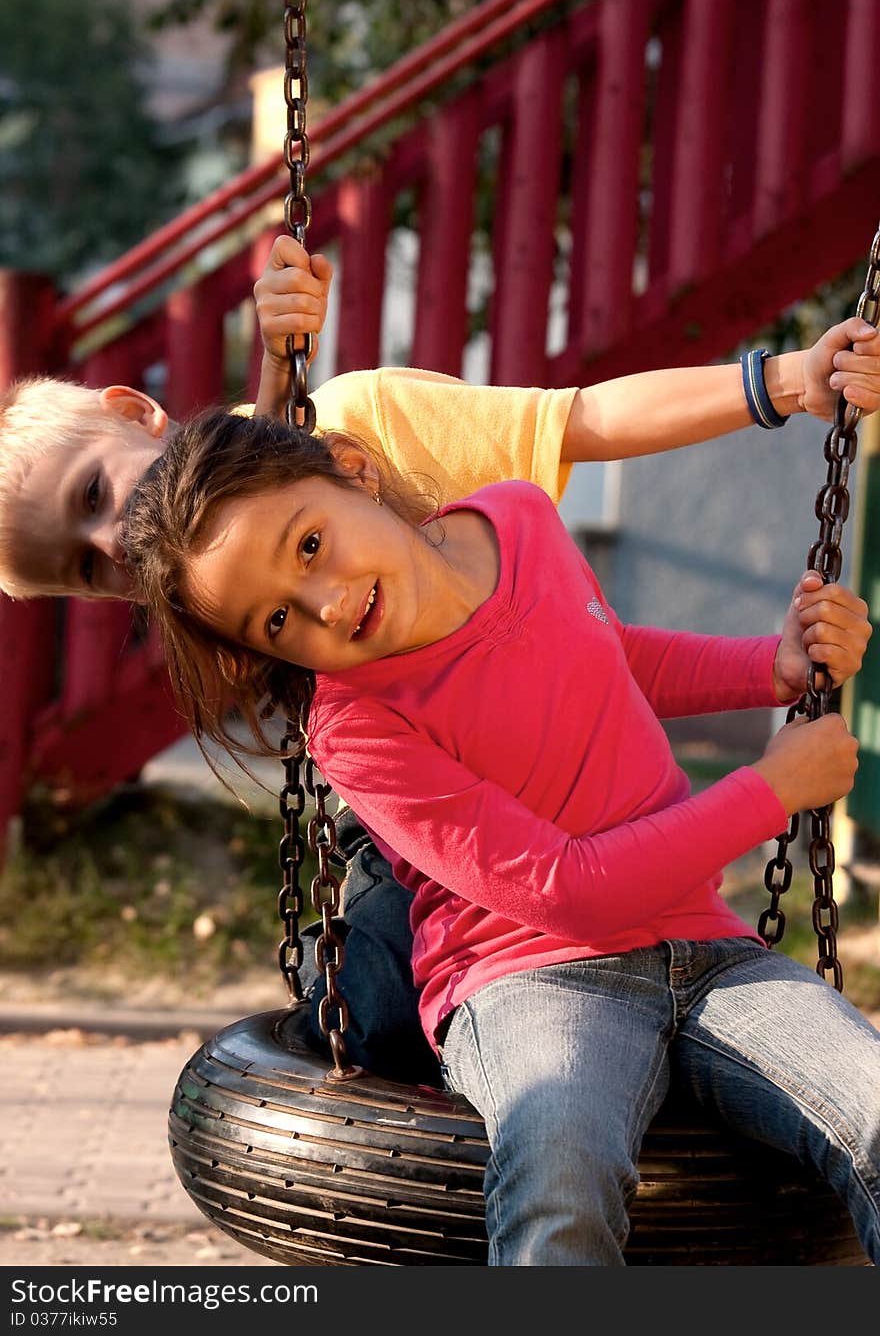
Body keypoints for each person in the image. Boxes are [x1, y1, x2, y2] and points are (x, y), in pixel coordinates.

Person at [3, 236, 880, 1081]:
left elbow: (585, 419)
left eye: (91, 492)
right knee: (368, 1012)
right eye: (83, 566)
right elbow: (257, 578)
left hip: (574, 781)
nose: (110, 537)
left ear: (133, 409)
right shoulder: (203, 618)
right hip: (423, 833)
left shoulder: (360, 421)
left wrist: (783, 382)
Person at [120, 406, 879, 1266]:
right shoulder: (356, 726)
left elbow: (604, 653)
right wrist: (769, 792)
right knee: (560, 1167)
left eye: (308, 545)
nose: (326, 602)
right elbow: (567, 890)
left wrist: (766, 667)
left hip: (709, 951)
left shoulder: (519, 519)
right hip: (530, 979)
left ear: (351, 470)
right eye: (278, 623)